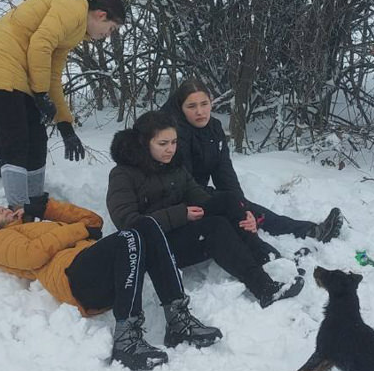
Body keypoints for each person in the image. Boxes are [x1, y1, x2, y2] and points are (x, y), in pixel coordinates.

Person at [0, 197, 221, 371]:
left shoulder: (34, 226)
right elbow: (33, 254)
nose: (0, 210)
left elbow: (92, 223)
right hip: (72, 275)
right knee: (129, 237)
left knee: (147, 225)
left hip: (90, 267)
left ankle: (178, 318)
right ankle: (126, 339)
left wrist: (46, 209)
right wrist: (77, 232)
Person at [107, 111, 305, 308]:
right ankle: (263, 287)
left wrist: (241, 214)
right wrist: (180, 214)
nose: (170, 149)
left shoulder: (174, 166)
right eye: (163, 144)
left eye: (174, 142)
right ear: (143, 142)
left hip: (177, 229)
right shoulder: (122, 174)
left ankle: (270, 260)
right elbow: (128, 224)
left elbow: (202, 198)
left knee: (227, 200)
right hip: (153, 248)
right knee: (215, 227)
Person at [0, 0, 125, 211]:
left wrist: (65, 126)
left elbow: (53, 77)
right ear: (101, 15)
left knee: (37, 138)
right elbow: (41, 44)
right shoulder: (73, 7)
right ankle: (18, 210)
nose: (107, 36)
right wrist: (39, 93)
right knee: (16, 140)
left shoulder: (73, 32)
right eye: (111, 29)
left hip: (15, 74)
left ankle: (35, 203)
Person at [164, 79, 343, 242]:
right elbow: (182, 183)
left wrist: (240, 203)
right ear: (181, 108)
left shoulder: (214, 128)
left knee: (250, 210)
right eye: (191, 106)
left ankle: (309, 231)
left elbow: (224, 173)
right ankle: (307, 233)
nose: (200, 111)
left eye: (204, 104)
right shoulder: (173, 135)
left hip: (201, 193)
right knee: (245, 212)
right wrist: (235, 207)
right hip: (180, 203)